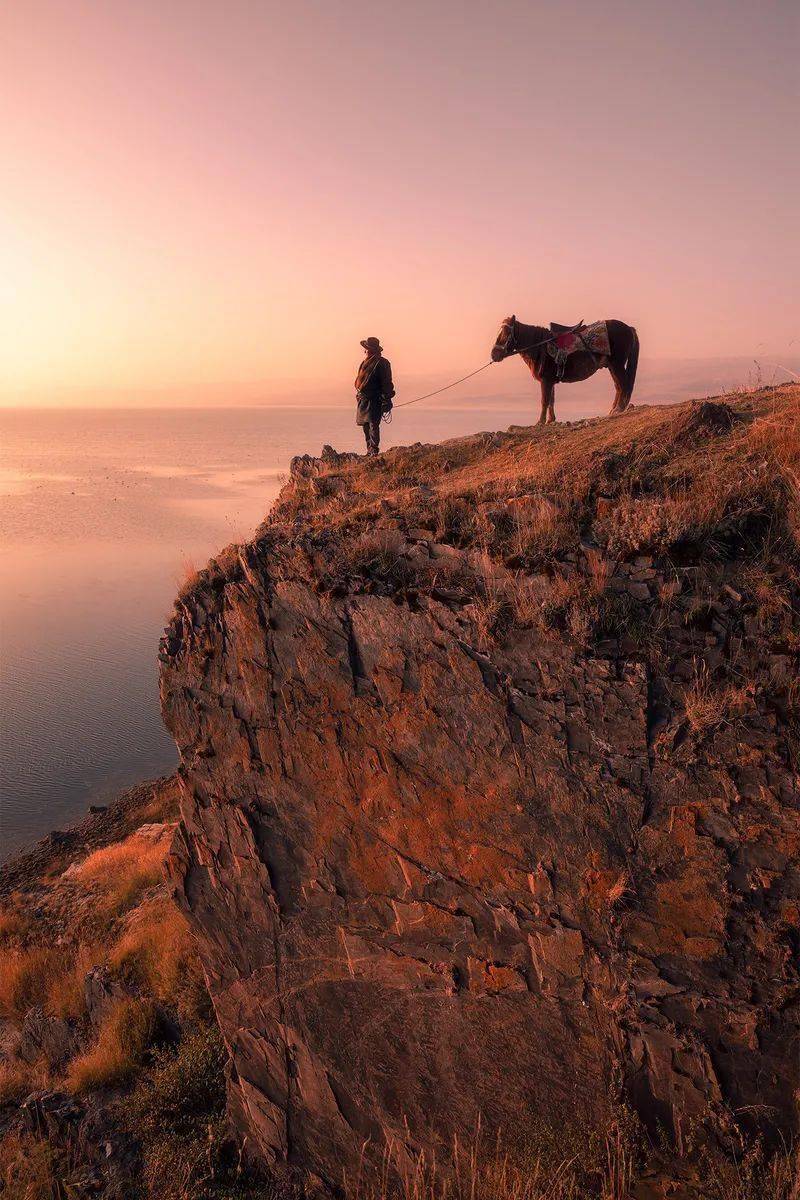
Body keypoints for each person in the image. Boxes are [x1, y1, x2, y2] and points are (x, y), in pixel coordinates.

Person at [355, 336, 394, 456]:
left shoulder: (382, 363)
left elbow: (386, 383)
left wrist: (386, 399)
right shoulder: (364, 363)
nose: (364, 351)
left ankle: (373, 450)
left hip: (375, 399)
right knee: (365, 426)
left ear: (371, 350)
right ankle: (369, 449)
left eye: (366, 349)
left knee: (373, 424)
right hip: (363, 399)